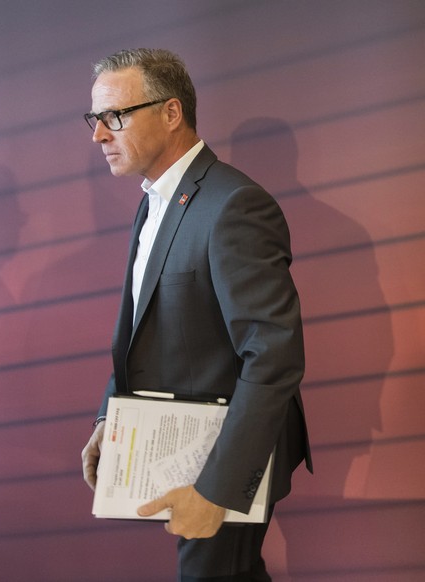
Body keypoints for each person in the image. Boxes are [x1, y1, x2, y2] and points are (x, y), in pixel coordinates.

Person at [79, 48, 312, 582]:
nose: (98, 135)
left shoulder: (234, 205)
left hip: (224, 456)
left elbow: (273, 356)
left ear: (171, 112)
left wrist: (218, 488)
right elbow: (147, 332)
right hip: (177, 450)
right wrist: (107, 417)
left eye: (115, 116)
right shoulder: (153, 200)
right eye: (95, 119)